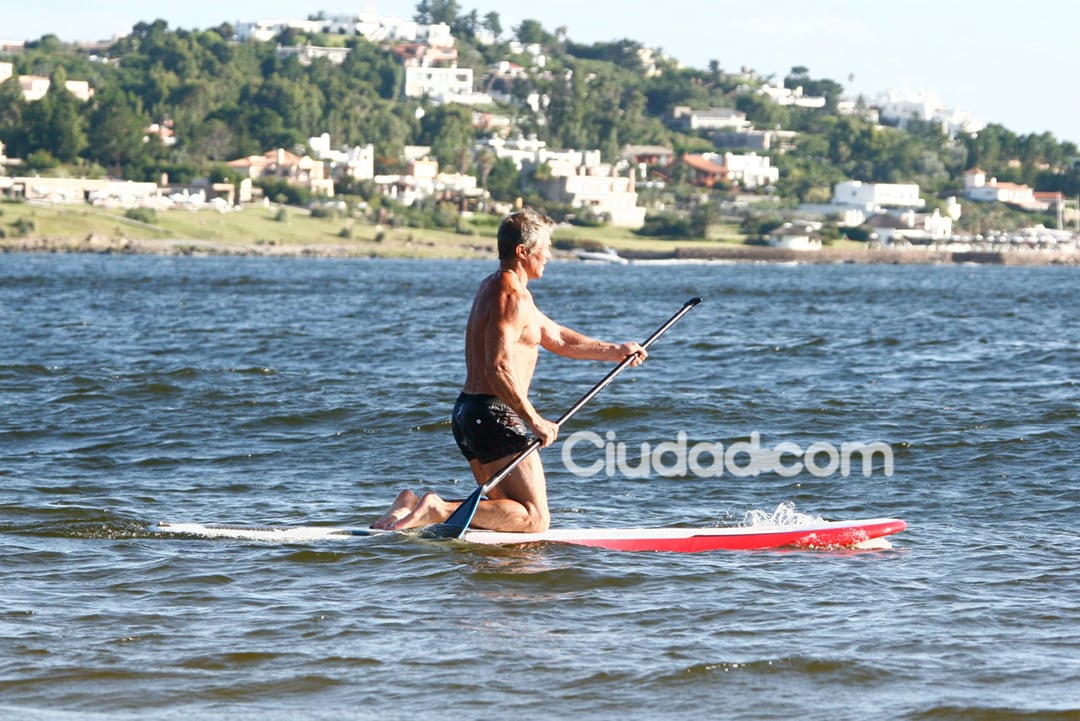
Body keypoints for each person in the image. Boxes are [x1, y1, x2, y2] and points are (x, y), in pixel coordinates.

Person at [371, 208, 646, 533]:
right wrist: (535, 420)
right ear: (522, 251)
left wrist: (615, 351)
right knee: (534, 517)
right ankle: (437, 509)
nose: (549, 254)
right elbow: (498, 366)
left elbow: (557, 337)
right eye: (545, 246)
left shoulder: (498, 288)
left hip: (469, 412)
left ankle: (407, 507)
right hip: (492, 415)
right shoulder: (511, 297)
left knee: (506, 513)